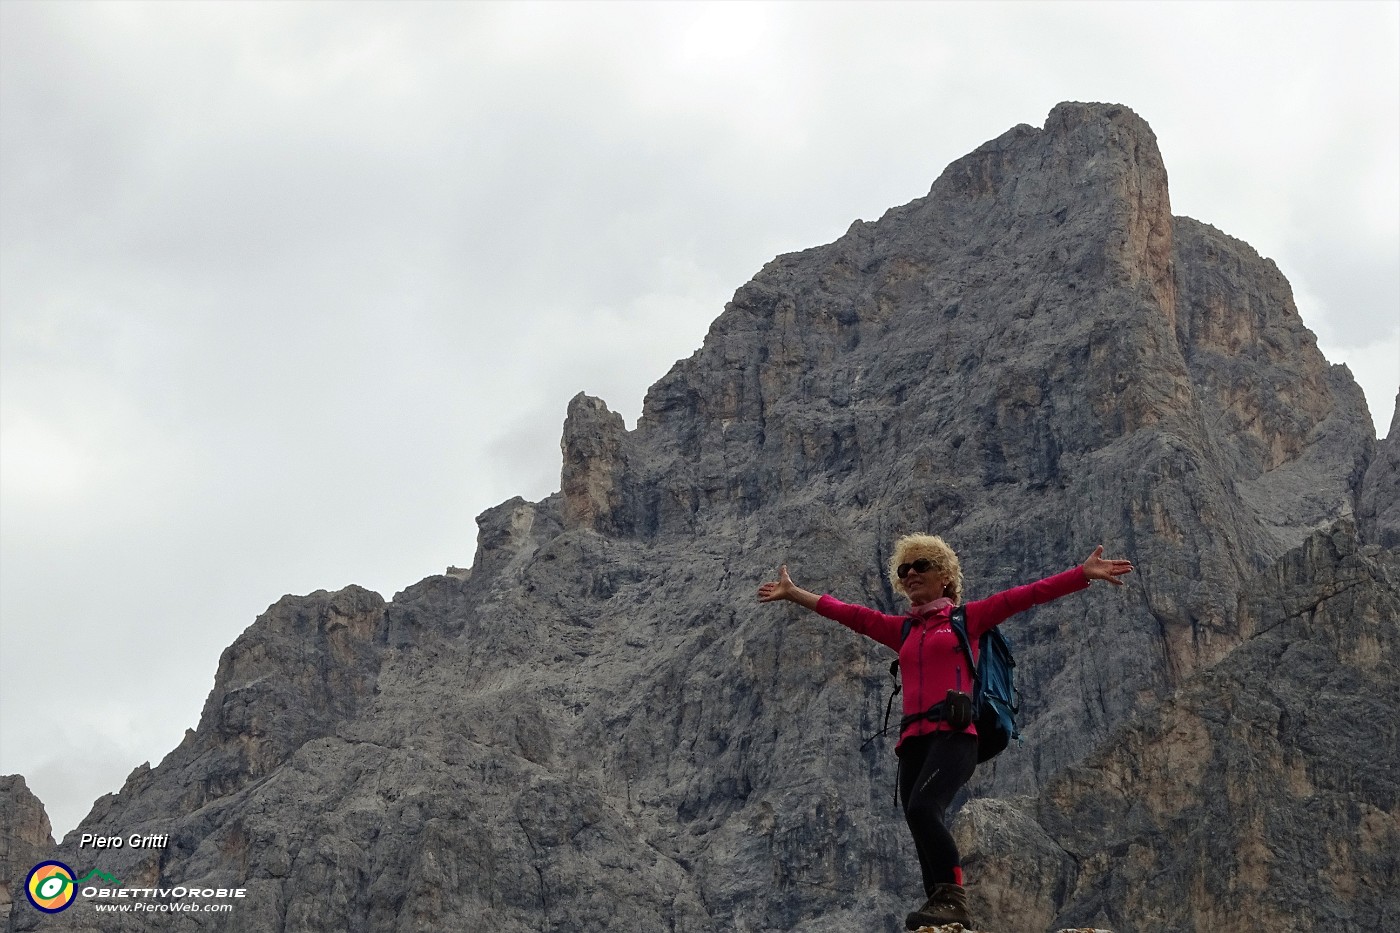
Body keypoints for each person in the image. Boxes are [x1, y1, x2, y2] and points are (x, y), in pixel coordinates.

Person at [757, 534, 1133, 930]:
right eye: (905, 570)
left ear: (946, 578)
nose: (911, 574)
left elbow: (1027, 595)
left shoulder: (967, 620)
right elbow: (848, 614)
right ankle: (940, 911)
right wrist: (794, 593)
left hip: (956, 734)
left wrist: (1081, 573)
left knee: (923, 809)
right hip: (913, 743)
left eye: (922, 566)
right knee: (917, 822)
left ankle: (955, 900)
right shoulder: (901, 630)